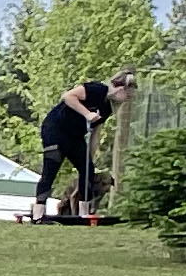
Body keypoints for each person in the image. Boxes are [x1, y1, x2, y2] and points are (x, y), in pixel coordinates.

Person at [34, 76, 133, 218]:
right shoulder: (96, 90)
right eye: (128, 94)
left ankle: (84, 214)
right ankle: (39, 213)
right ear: (120, 88)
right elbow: (68, 97)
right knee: (51, 168)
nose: (128, 98)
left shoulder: (107, 107)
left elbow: (96, 133)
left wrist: (89, 158)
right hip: (56, 129)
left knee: (87, 170)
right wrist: (87, 114)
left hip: (75, 135)